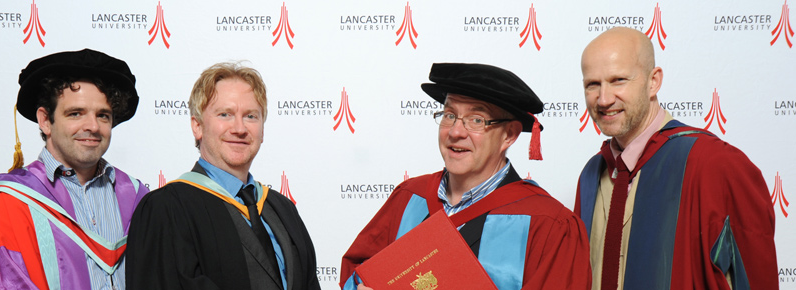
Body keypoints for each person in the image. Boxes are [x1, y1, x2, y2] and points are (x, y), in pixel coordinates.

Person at [340, 63, 591, 290]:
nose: (456, 131)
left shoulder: (548, 224)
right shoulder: (409, 197)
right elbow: (358, 270)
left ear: (509, 135)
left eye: (477, 120)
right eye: (449, 115)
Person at [575, 27, 777, 290]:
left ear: (653, 81)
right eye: (593, 84)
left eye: (618, 80)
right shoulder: (592, 174)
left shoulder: (713, 164)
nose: (604, 98)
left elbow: (752, 278)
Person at [0, 49, 150, 290]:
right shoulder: (5, 206)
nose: (93, 126)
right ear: (45, 120)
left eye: (103, 116)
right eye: (76, 113)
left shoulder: (138, 199)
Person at [125, 62, 321, 290]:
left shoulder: (282, 209)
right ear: (197, 126)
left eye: (251, 116)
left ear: (262, 130)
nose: (239, 128)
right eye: (225, 114)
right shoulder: (165, 209)